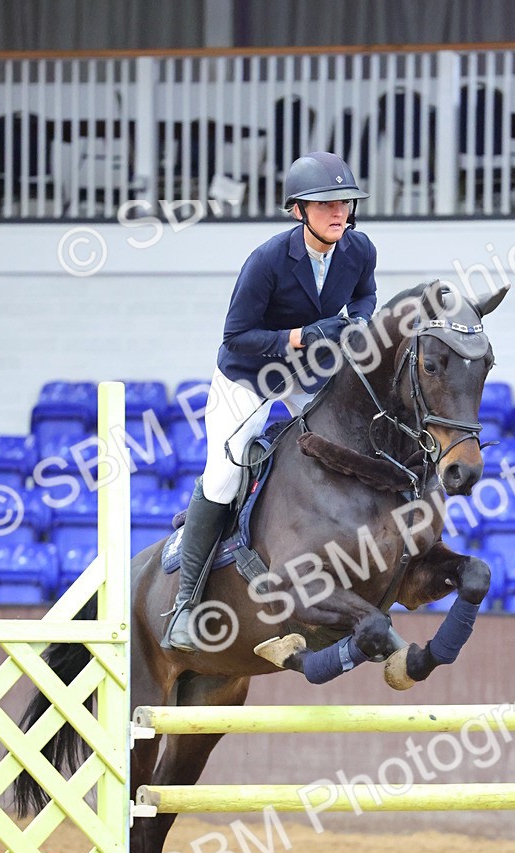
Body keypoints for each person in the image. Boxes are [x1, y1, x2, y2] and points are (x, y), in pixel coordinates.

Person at [165, 151, 378, 651]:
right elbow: (237, 336)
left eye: (344, 202)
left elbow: (365, 296)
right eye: (326, 205)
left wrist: (361, 322)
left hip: (308, 375)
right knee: (223, 474)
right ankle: (185, 605)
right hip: (250, 376)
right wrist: (302, 336)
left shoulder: (359, 249)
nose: (339, 212)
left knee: (347, 444)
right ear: (298, 211)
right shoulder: (266, 261)